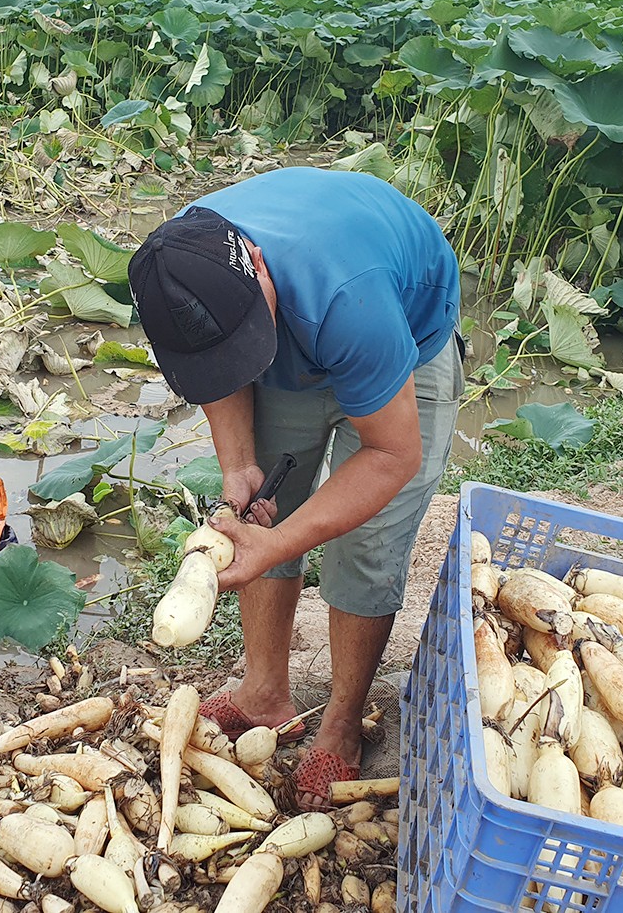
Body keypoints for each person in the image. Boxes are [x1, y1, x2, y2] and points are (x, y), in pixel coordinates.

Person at [127, 166, 463, 811]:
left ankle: (341, 721)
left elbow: (391, 454)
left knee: (366, 542)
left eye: (242, 342)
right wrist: (237, 463)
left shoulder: (347, 297)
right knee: (253, 519)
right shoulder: (177, 264)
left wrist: (279, 544)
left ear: (256, 265)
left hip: (401, 341)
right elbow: (215, 374)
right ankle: (263, 693)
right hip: (304, 326)